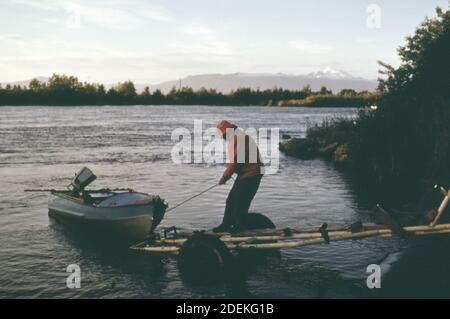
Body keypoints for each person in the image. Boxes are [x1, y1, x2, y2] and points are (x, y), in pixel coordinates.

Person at [213, 120, 264, 233]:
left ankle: (239, 229)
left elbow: (236, 162)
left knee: (240, 203)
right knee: (231, 200)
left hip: (252, 173)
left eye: (224, 135)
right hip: (245, 174)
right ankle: (226, 225)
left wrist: (224, 177)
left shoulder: (239, 138)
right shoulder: (236, 136)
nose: (224, 138)